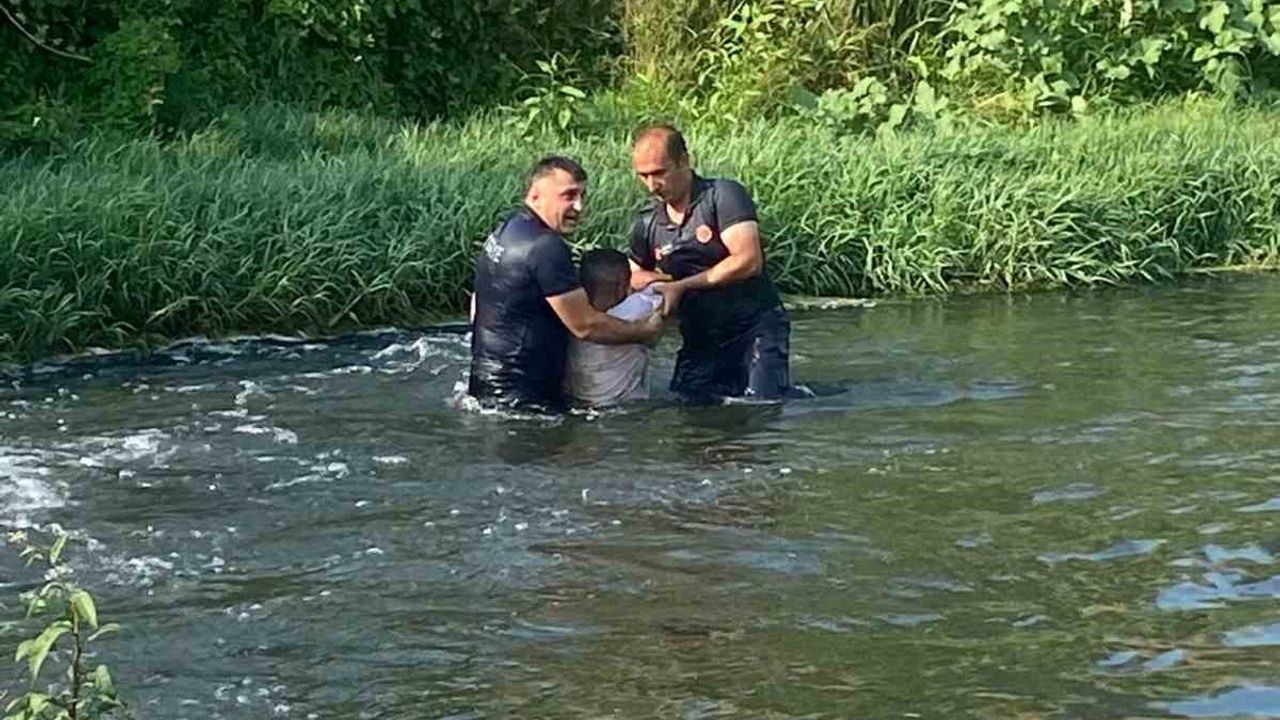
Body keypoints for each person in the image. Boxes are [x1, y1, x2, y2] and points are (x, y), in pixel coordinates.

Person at [469, 156, 663, 412]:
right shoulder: (547, 247)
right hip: (523, 398)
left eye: (583, 195)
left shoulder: (508, 229)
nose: (579, 206)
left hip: (483, 385)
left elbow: (477, 303)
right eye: (569, 195)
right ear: (536, 195)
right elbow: (585, 325)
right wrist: (644, 331)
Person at [628, 124, 791, 401]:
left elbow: (748, 260)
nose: (652, 185)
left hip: (754, 327)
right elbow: (632, 276)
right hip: (700, 336)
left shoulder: (723, 196)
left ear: (685, 161)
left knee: (759, 405)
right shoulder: (647, 223)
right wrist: (661, 284)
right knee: (686, 406)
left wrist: (681, 286)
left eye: (659, 173)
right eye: (643, 176)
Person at [565, 249, 663, 408]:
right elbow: (664, 293)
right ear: (623, 286)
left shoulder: (569, 314)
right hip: (626, 408)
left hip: (578, 404)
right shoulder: (637, 308)